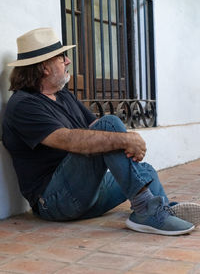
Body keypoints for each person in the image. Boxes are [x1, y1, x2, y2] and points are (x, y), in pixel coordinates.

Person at [2, 27, 200, 236]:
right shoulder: (23, 105)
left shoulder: (63, 96)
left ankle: (158, 209)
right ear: (45, 68)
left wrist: (122, 142)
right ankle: (146, 210)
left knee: (146, 172)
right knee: (110, 127)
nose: (68, 61)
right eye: (62, 58)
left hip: (87, 194)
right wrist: (127, 139)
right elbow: (69, 140)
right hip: (54, 201)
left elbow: (94, 127)